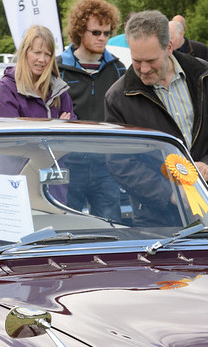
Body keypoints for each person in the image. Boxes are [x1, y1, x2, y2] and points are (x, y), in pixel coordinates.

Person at [104, 10, 208, 216]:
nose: (144, 69)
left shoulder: (205, 75)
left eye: (151, 60)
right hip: (157, 216)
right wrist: (168, 194)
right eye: (137, 60)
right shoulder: (118, 97)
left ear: (169, 47)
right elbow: (120, 162)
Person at [58, 0, 126, 220]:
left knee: (111, 226)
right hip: (69, 162)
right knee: (68, 227)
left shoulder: (118, 69)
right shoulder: (58, 69)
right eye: (96, 32)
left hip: (107, 164)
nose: (102, 38)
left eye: (107, 33)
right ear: (80, 30)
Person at [0, 25, 74, 119]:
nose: (42, 59)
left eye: (47, 54)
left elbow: (72, 125)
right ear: (24, 52)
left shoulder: (58, 89)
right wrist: (57, 126)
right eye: (37, 52)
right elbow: (11, 128)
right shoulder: (5, 89)